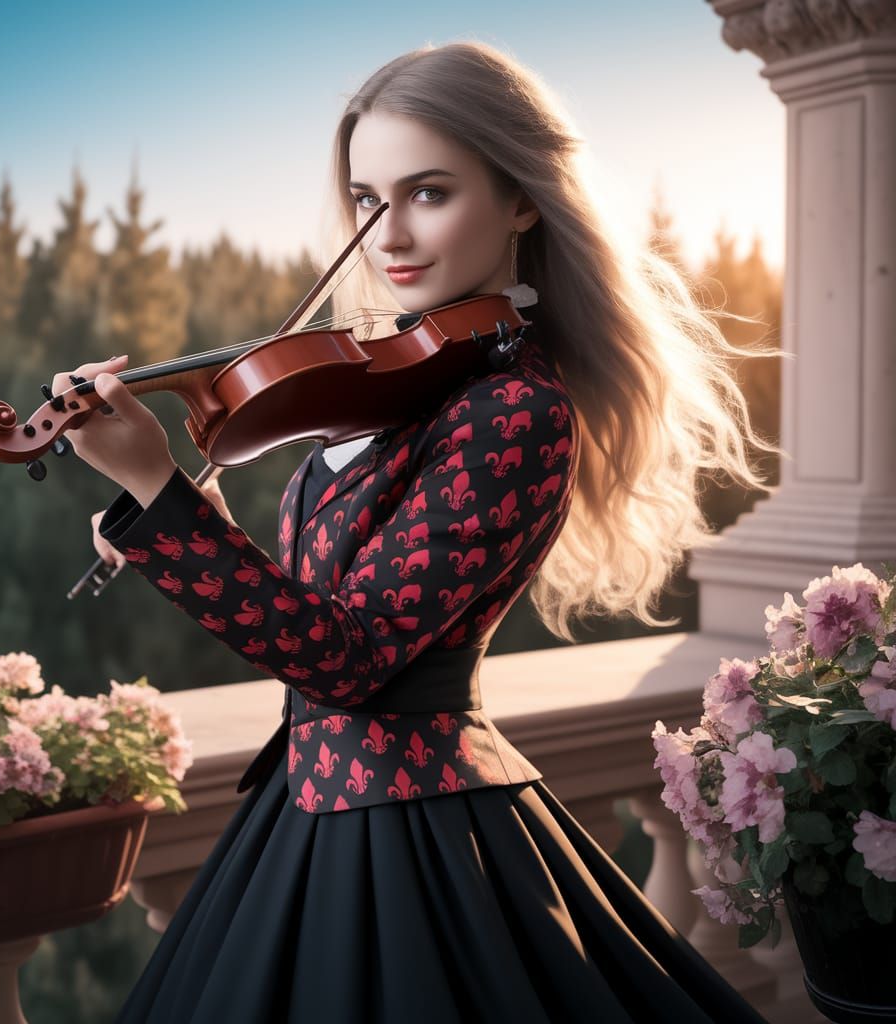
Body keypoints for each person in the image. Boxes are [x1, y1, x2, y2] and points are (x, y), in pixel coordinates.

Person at [60, 40, 777, 1024]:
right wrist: (187, 519)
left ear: (521, 199)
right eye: (366, 199)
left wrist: (156, 486)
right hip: (304, 804)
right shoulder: (401, 384)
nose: (388, 234)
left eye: (428, 193)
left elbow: (347, 658)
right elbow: (321, 599)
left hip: (413, 833)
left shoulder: (514, 410)